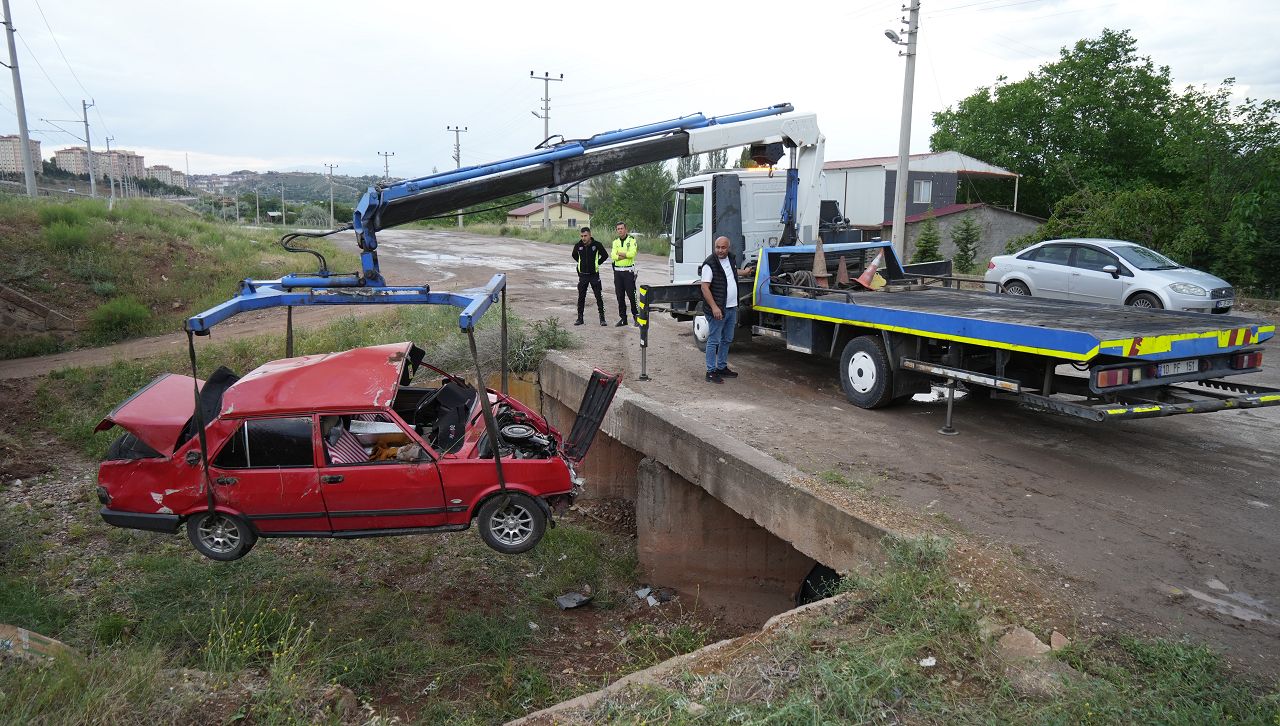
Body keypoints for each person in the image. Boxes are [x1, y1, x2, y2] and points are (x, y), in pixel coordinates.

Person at [699, 235, 754, 383]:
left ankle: (722, 367)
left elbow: (732, 272)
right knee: (714, 340)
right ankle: (710, 372)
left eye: (723, 247)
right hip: (718, 310)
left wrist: (746, 272)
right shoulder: (709, 264)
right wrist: (715, 307)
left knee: (727, 339)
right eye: (718, 247)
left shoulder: (730, 258)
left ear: (728, 248)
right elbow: (704, 287)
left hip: (731, 308)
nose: (720, 250)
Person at [571, 226, 609, 326]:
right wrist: (581, 264)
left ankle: (602, 318)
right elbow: (574, 255)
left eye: (585, 236)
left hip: (594, 275)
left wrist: (596, 263)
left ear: (590, 235)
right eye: (582, 236)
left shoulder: (597, 245)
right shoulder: (578, 245)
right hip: (583, 276)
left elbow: (605, 255)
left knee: (598, 297)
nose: (583, 238)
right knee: (581, 297)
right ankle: (580, 318)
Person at [610, 221, 639, 327]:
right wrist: (623, 255)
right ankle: (623, 319)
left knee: (632, 296)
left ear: (625, 229)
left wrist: (619, 253)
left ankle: (636, 317)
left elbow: (632, 254)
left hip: (628, 272)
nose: (620, 230)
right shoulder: (615, 242)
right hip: (617, 273)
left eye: (622, 228)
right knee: (620, 296)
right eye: (618, 229)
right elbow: (613, 255)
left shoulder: (631, 240)